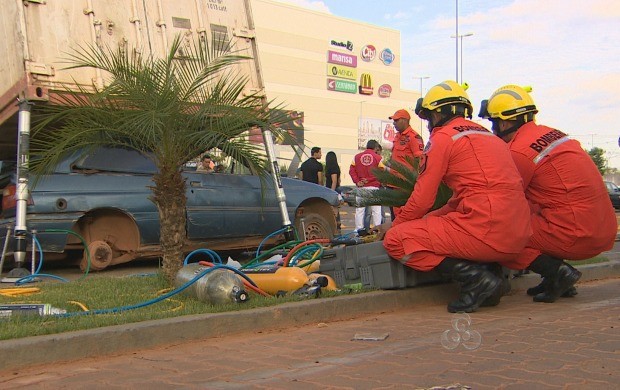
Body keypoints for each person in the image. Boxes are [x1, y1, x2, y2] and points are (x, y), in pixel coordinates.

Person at [375, 80, 532, 313]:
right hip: (519, 232)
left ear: (438, 114)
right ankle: (490, 274)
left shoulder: (444, 138)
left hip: (486, 229)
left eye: (428, 117)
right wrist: (425, 220)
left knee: (397, 240)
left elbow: (423, 197)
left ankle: (476, 279)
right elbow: (461, 201)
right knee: (435, 224)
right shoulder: (489, 136)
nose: (428, 124)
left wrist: (396, 225)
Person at [479, 84, 617, 303]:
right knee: (536, 214)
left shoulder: (518, 152)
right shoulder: (553, 134)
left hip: (577, 233)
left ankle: (559, 273)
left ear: (504, 122)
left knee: (502, 235)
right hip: (603, 227)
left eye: (493, 123)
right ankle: (555, 279)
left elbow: (499, 199)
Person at [387, 109, 425, 220]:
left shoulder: (413, 137)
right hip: (392, 183)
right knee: (394, 217)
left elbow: (420, 161)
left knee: (403, 216)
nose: (394, 123)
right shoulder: (397, 137)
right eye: (393, 121)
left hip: (404, 185)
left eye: (396, 120)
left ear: (405, 120)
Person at [349, 139, 385, 232]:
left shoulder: (356, 157)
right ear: (376, 148)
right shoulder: (379, 158)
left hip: (361, 188)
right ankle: (377, 230)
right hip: (374, 188)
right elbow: (381, 172)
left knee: (360, 211)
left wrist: (357, 181)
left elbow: (351, 171)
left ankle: (358, 230)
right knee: (376, 211)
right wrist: (370, 180)